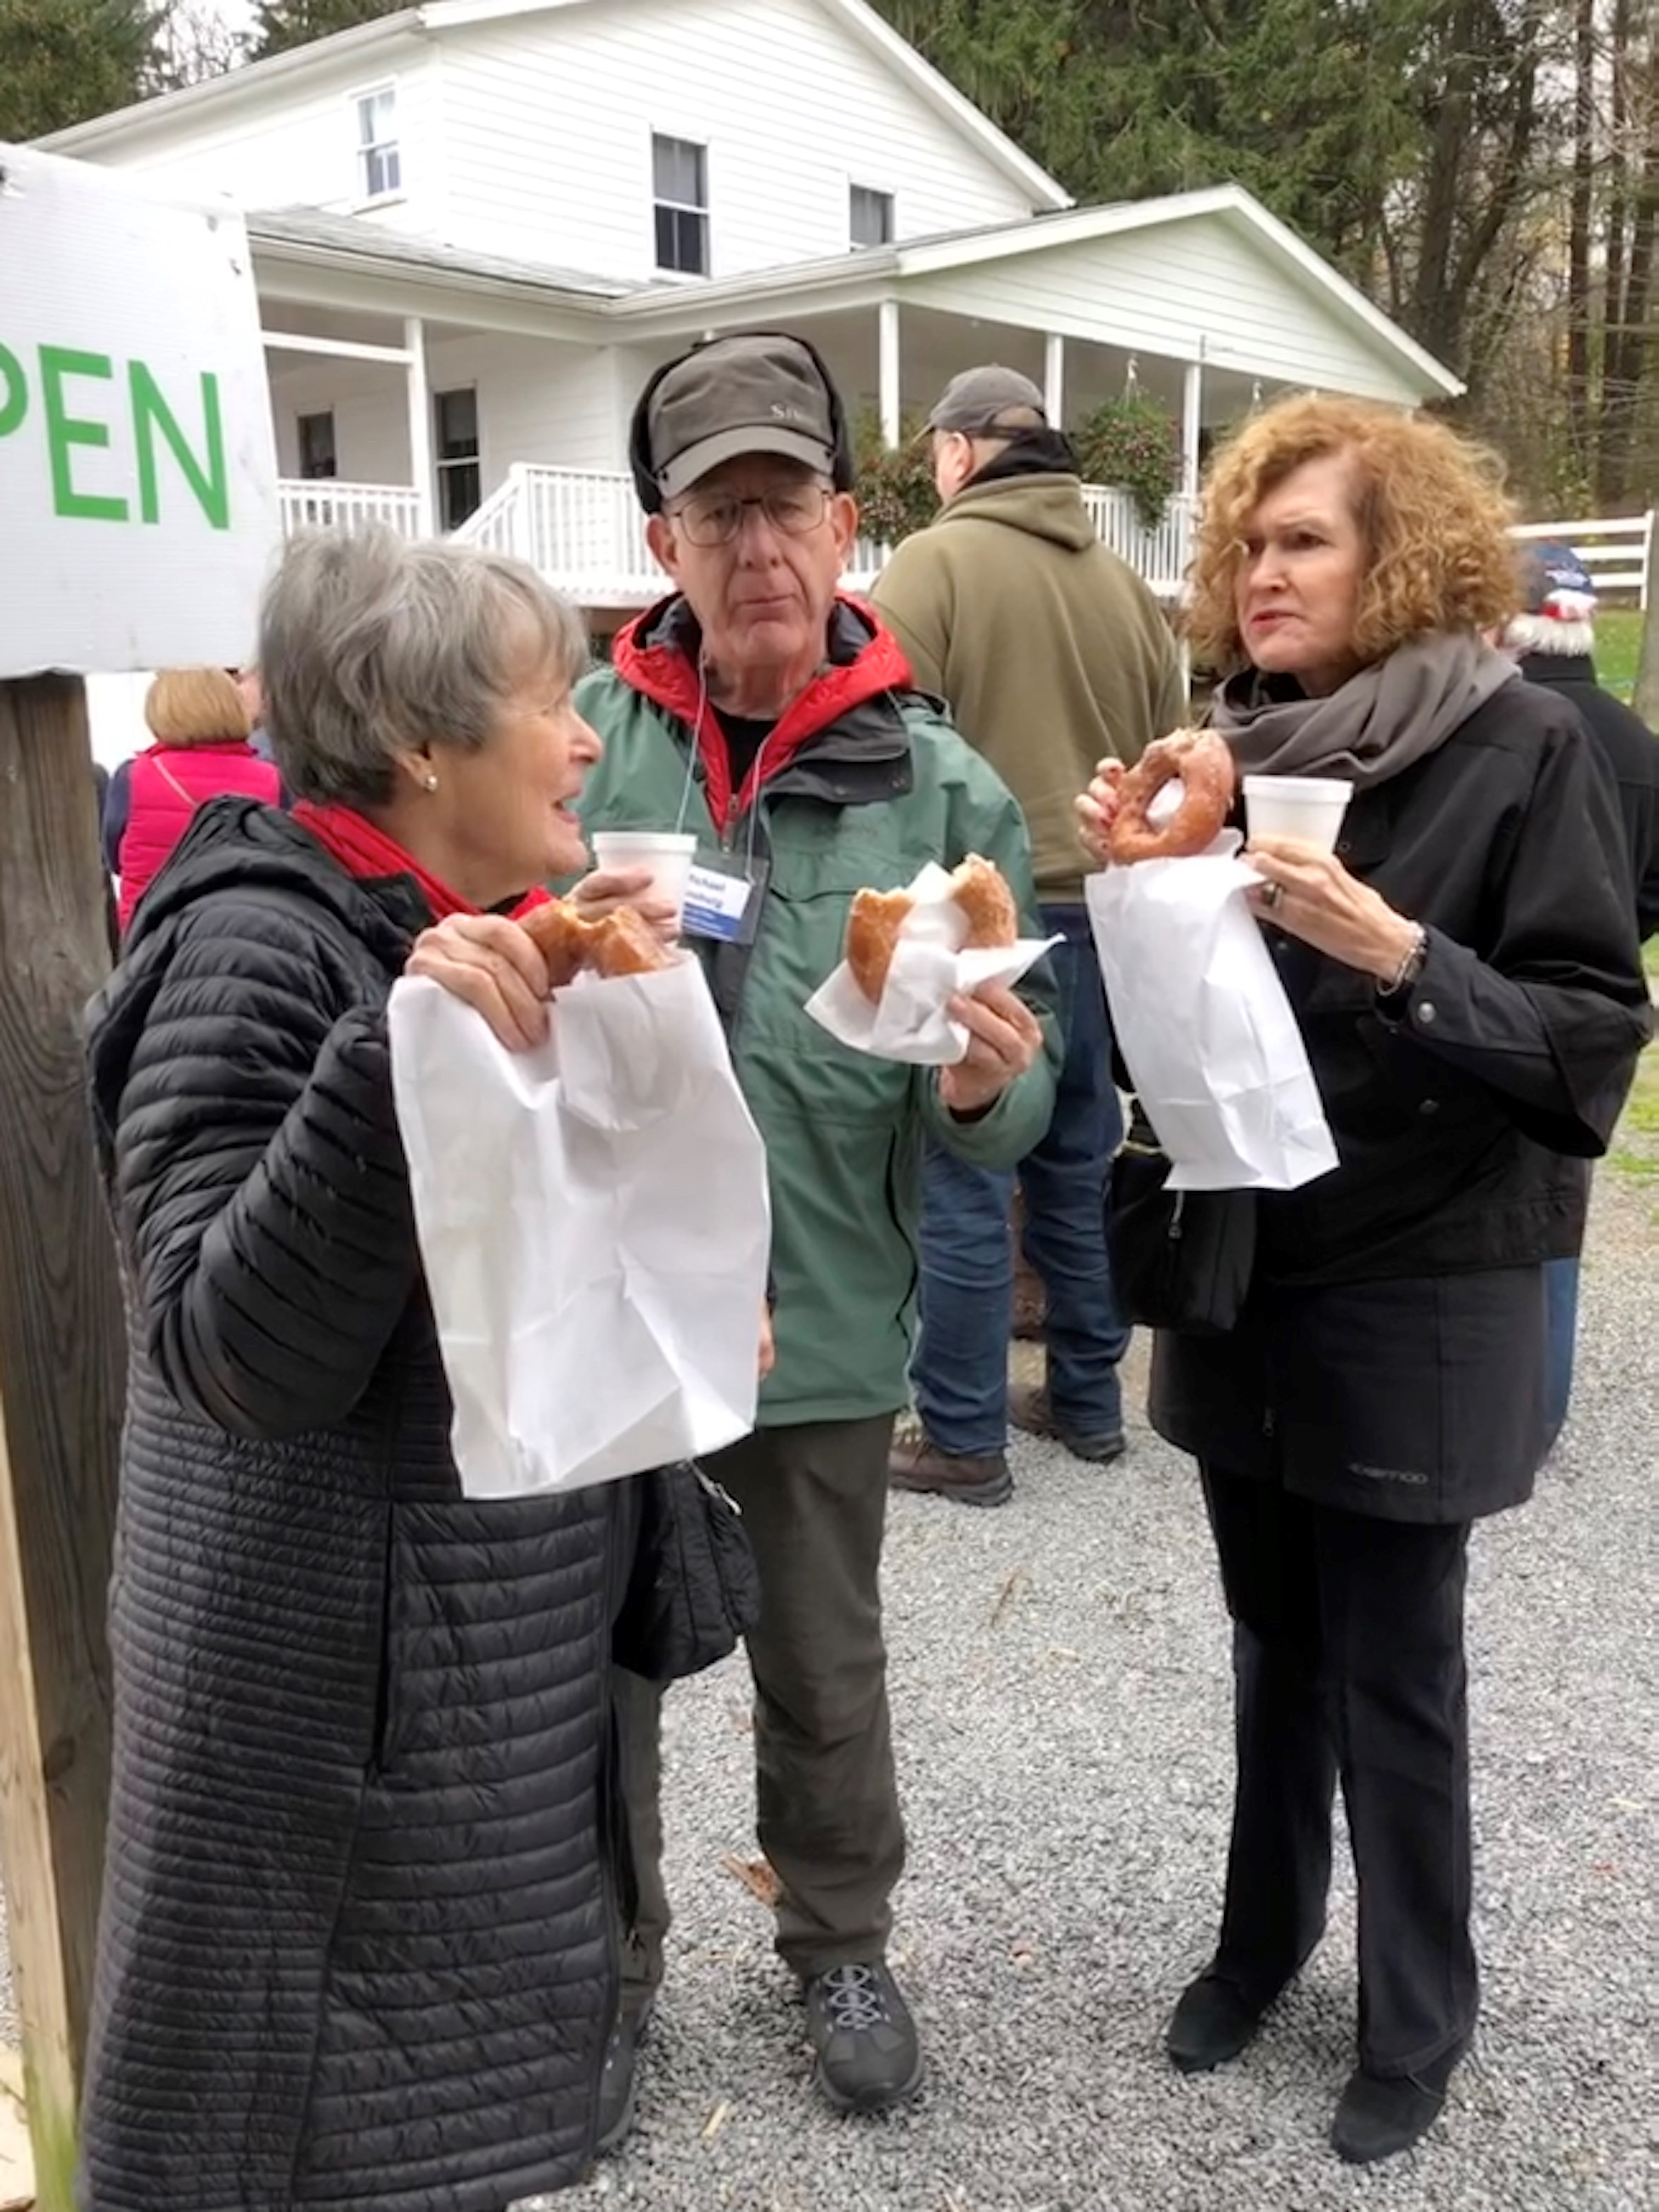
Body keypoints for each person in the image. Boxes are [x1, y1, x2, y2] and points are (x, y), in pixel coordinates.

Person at [1078, 396, 1649, 2164]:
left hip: (1426, 1279)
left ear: (1395, 561)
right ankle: (1264, 1945)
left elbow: (1583, 1047)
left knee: (1396, 1662)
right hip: (1256, 1262)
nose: (1261, 573)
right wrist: (1149, 894)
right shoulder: (1217, 756)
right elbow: (1186, 1045)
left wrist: (1391, 948)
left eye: (1303, 540)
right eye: (1249, 542)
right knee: (1271, 1644)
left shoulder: (1525, 748)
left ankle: (1419, 2016)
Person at [80, 530, 642, 2210]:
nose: (591, 737)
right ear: (421, 744)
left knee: (418, 2128)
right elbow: (220, 1350)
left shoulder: (456, 917)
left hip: (436, 1684)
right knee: (307, 2138)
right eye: (553, 701)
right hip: (335, 1715)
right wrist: (395, 1057)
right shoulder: (259, 943)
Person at [568, 330, 1059, 2124]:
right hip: (612, 1311)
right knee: (589, 1662)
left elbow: (1025, 1089)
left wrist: (974, 1085)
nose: (757, 543)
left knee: (820, 1659)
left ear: (849, 526)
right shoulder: (577, 741)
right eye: (719, 512)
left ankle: (837, 1938)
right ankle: (604, 1968)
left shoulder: (938, 782)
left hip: (828, 1314)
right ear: (664, 546)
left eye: (786, 503)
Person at [872, 365, 1186, 1503]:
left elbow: (886, 744)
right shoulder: (1126, 589)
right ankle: (1090, 1406)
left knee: (962, 1169)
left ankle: (961, 1435)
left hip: (985, 915)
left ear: (960, 451)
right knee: (1076, 1168)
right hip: (1106, 916)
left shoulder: (932, 563)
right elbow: (1165, 764)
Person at [1503, 540, 1659, 1442]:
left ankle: (1500, 1402)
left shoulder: (1504, 731)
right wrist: (1612, 941)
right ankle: (1542, 1414)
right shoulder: (1635, 743)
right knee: (1560, 1204)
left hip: (1498, 995)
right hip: (1599, 1007)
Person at [101, 664, 283, 932]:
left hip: (153, 933)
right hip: (247, 933)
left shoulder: (134, 776)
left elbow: (115, 858)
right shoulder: (273, 780)